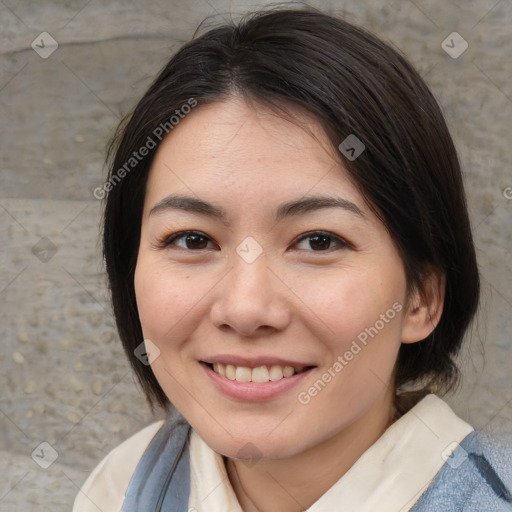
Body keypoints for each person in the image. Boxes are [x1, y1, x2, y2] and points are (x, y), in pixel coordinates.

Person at [73, 6, 512, 512]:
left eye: (318, 241)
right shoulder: (125, 484)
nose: (245, 308)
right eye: (193, 240)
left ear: (422, 297)